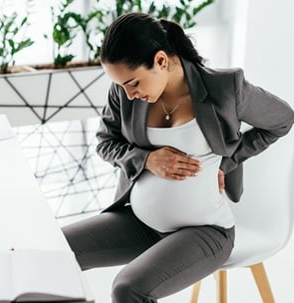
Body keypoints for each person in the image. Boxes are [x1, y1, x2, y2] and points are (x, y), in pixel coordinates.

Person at [62, 12, 294, 303]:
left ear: (161, 60)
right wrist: (148, 159)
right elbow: (106, 143)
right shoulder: (124, 93)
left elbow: (282, 120)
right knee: (57, 249)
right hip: (139, 222)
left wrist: (227, 161)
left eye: (133, 83)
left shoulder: (224, 88)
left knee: (127, 288)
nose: (128, 94)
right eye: (122, 86)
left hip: (204, 231)